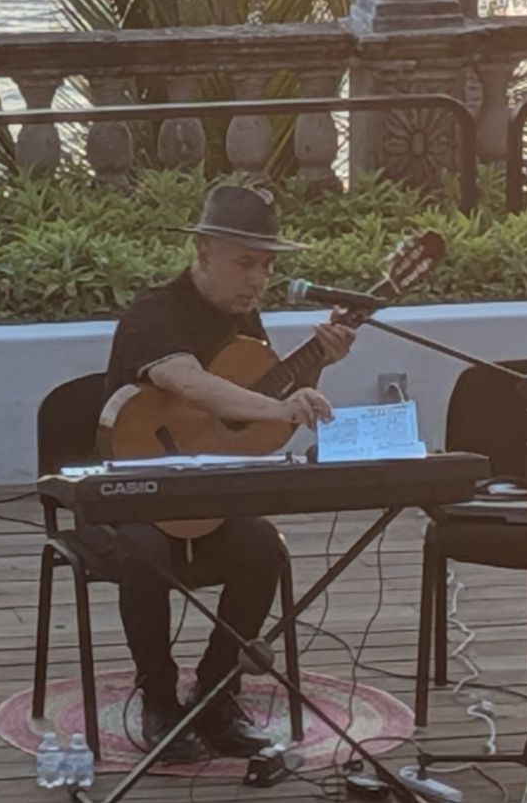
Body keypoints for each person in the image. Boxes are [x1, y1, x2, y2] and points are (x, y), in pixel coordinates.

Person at [103, 184, 357, 761]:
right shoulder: (155, 311)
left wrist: (318, 367)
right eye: (245, 263)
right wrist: (280, 407)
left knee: (264, 548)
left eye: (267, 266)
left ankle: (217, 693)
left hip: (208, 496)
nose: (258, 279)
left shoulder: (245, 322)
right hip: (133, 495)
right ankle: (158, 699)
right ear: (203, 250)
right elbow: (190, 382)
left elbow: (255, 423)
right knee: (146, 552)